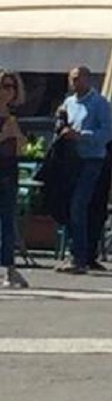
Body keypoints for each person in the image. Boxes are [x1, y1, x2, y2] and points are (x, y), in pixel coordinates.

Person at [56, 66, 112, 274]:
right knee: (69, 205)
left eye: (78, 79)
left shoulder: (100, 103)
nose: (74, 83)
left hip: (92, 160)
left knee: (79, 205)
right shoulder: (68, 102)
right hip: (71, 160)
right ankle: (75, 253)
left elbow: (107, 132)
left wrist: (82, 135)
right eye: (72, 79)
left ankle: (80, 257)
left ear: (88, 80)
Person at [0, 70, 29, 289]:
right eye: (4, 86)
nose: (8, 91)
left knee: (8, 221)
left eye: (12, 87)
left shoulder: (11, 117)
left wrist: (17, 137)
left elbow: (21, 148)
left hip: (9, 171)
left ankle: (9, 267)